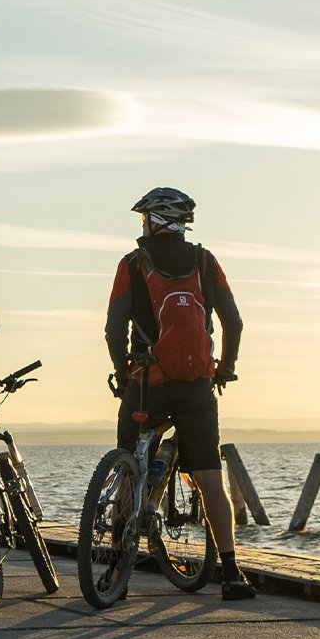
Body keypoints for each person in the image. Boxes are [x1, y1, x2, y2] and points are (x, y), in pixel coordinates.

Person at [105, 186, 256, 600]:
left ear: (152, 221)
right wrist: (224, 369)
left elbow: (114, 329)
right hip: (197, 386)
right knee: (209, 475)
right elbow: (234, 322)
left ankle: (116, 566)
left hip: (147, 385)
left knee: (126, 472)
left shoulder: (133, 264)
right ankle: (231, 573)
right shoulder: (205, 262)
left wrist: (123, 372)